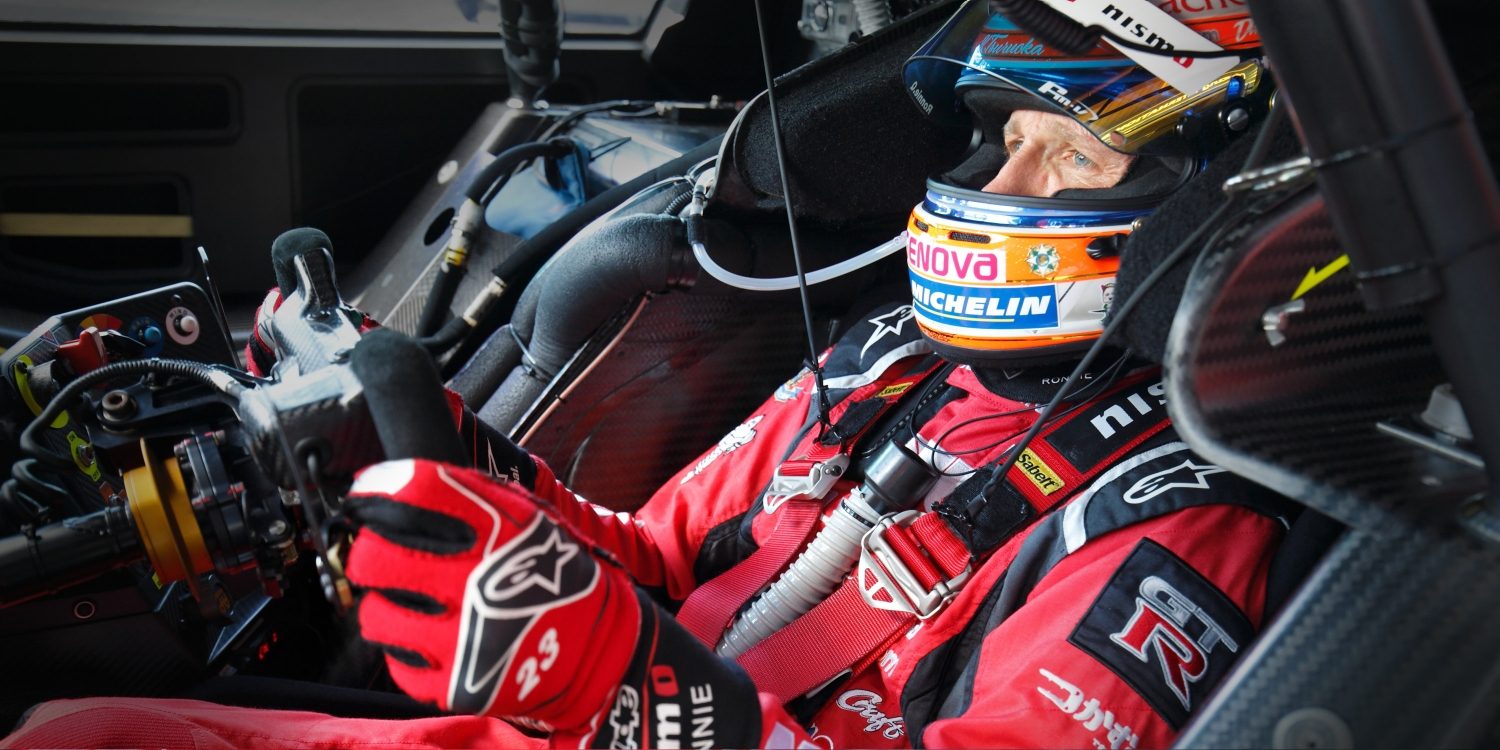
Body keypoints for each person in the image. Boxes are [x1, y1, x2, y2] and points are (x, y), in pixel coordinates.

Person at [2, 1, 1284, 747]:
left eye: (1073, 157)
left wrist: (635, 690)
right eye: (1006, 136)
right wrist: (467, 472)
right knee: (80, 731)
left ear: (1200, 206)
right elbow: (662, 558)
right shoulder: (893, 358)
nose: (999, 183)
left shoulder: (1177, 524)